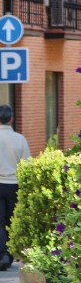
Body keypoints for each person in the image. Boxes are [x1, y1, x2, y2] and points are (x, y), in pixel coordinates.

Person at [0, 103, 30, 270]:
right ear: (11, 119)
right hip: (14, 185)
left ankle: (2, 253)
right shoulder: (20, 139)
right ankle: (9, 254)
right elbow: (26, 165)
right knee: (11, 221)